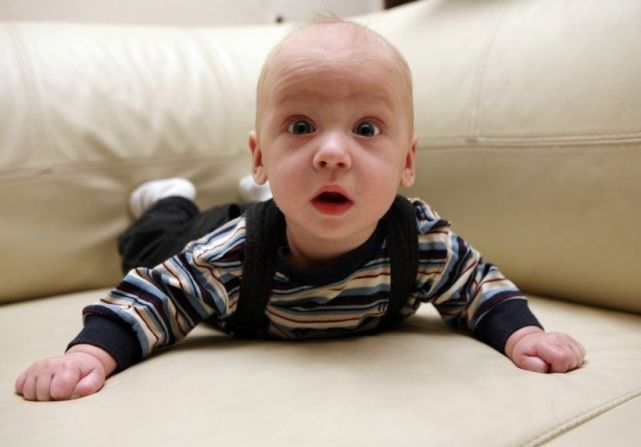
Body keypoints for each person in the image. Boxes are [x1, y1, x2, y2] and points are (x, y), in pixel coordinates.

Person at [15, 17, 585, 402]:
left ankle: (272, 192)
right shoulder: (229, 255)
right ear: (260, 155)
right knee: (150, 243)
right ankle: (169, 198)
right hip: (221, 232)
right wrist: (89, 354)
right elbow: (156, 298)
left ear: (408, 162)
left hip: (278, 204)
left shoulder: (421, 242)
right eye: (302, 126)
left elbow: (478, 286)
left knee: (290, 197)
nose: (332, 153)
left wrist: (523, 335)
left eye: (366, 129)